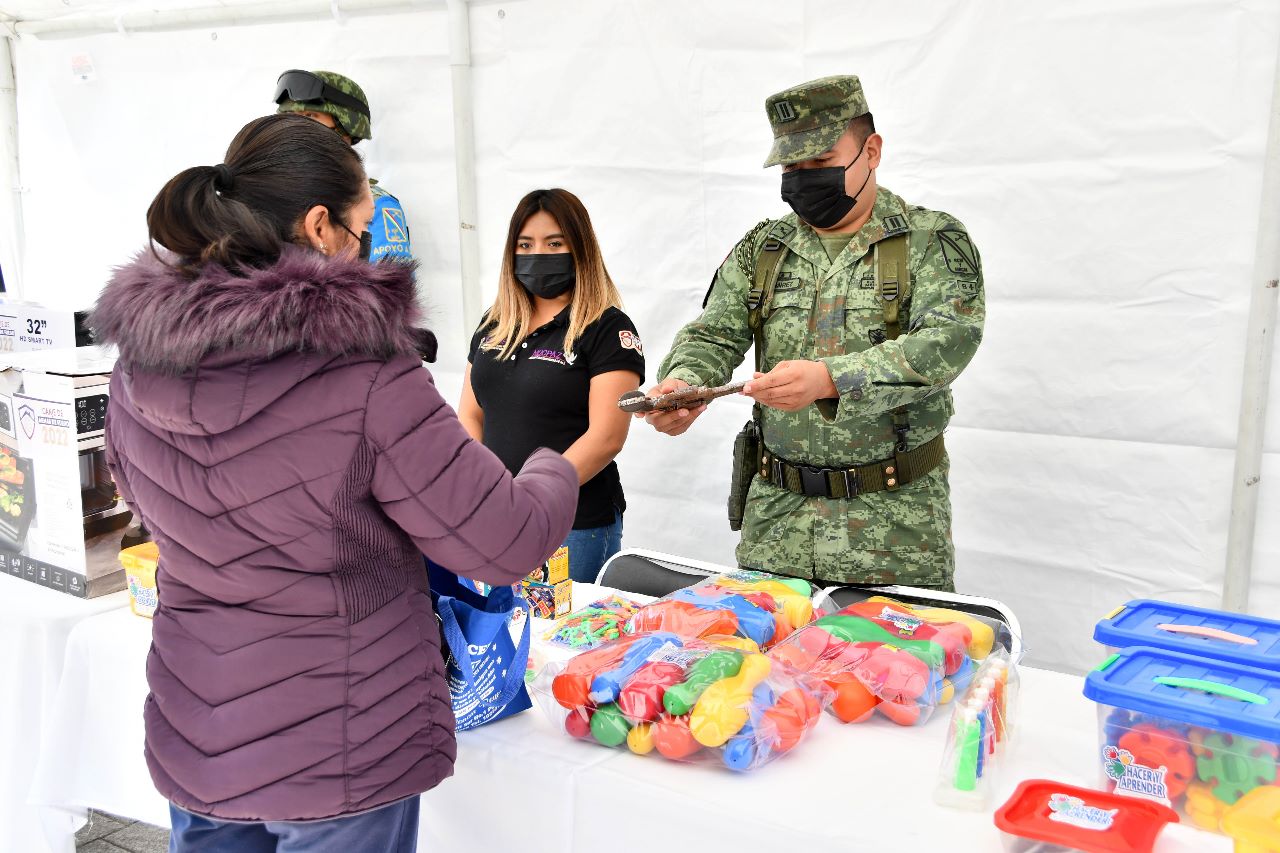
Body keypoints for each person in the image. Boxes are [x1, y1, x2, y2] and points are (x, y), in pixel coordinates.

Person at [91, 114, 577, 852]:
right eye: (360, 227)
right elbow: (503, 540)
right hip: (340, 747)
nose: (367, 246)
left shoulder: (135, 370)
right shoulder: (364, 369)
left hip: (201, 729)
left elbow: (146, 506)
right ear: (320, 226)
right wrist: (554, 465)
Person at [641, 74, 985, 592]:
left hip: (894, 525)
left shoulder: (930, 240)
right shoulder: (764, 248)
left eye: (820, 164)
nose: (803, 179)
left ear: (871, 151)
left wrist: (831, 378)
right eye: (791, 167)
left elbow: (945, 341)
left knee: (895, 668)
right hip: (778, 519)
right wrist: (684, 384)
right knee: (767, 665)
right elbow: (714, 333)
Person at [458, 189, 644, 584]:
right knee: (502, 636)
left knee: (564, 641)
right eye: (525, 244)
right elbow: (471, 413)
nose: (538, 253)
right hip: (494, 519)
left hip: (572, 526)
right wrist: (487, 491)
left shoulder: (607, 329)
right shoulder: (494, 323)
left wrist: (533, 497)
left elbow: (607, 436)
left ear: (580, 247)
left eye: (554, 243)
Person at [274, 69, 413, 263]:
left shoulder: (374, 206)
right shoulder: (271, 192)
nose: (297, 127)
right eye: (290, 117)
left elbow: (390, 288)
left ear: (346, 127)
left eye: (310, 116)